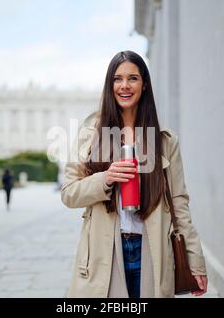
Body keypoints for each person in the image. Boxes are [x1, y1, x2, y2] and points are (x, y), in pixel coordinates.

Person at [61, 51, 208, 298]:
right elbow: (69, 194)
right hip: (105, 252)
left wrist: (195, 261)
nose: (124, 86)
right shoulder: (91, 134)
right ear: (110, 85)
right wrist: (105, 178)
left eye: (133, 78)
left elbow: (180, 204)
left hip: (153, 251)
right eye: (117, 79)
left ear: (145, 84)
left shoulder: (164, 140)